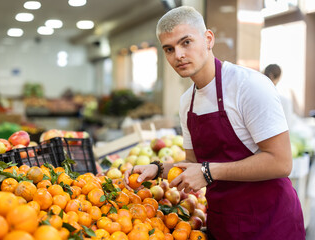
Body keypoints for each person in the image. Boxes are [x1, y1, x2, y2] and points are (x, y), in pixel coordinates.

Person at [124, 6, 305, 239]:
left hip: (270, 222)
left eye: (186, 42)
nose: (178, 55)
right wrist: (157, 169)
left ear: (208, 39)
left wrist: (209, 172)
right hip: (224, 223)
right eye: (169, 49)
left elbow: (281, 162)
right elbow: (193, 164)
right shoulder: (186, 102)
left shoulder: (248, 86)